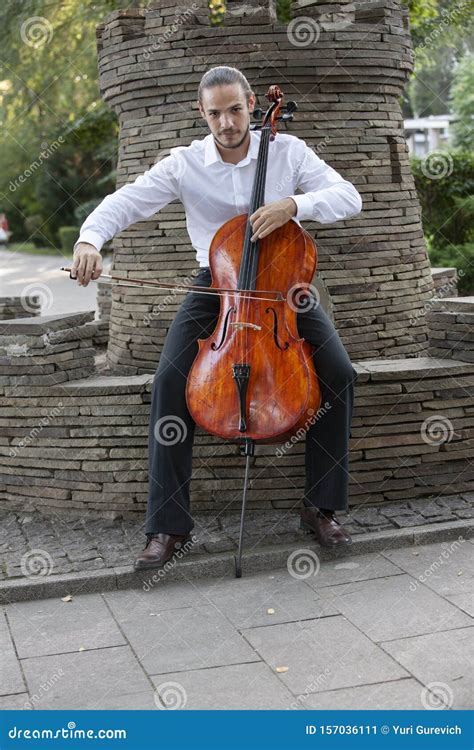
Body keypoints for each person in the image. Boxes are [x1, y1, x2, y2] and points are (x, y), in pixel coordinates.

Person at [72, 65, 362, 570]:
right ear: (201, 114)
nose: (226, 122)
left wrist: (294, 204)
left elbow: (349, 197)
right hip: (219, 284)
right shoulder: (185, 163)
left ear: (252, 103)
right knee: (168, 382)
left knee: (338, 374)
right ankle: (168, 526)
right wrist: (89, 239)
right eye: (215, 113)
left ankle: (321, 506)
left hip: (282, 288)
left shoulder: (288, 150)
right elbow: (126, 202)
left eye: (234, 109)